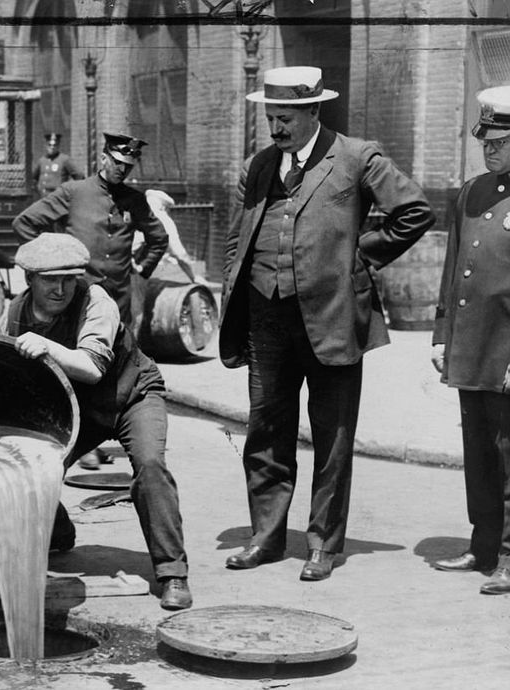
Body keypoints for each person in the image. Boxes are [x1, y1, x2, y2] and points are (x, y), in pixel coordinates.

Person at [220, 66, 435, 581]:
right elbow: (238, 236)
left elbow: (414, 211)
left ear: (314, 110)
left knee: (333, 436)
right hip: (266, 317)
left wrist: (360, 258)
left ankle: (323, 543)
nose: (277, 127)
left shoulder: (358, 156)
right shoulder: (260, 164)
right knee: (265, 430)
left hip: (333, 316)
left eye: (286, 117)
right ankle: (266, 538)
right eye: (271, 117)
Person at [0, 232, 192, 610]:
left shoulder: (96, 301)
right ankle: (58, 530)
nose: (61, 289)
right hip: (82, 407)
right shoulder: (17, 312)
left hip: (132, 394)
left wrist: (49, 346)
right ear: (29, 280)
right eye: (50, 280)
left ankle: (172, 573)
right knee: (35, 462)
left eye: (69, 279)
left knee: (150, 467)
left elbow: (90, 367)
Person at [431, 85, 510, 595]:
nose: (491, 149)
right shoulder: (472, 191)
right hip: (473, 346)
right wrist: (442, 335)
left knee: (509, 454)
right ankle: (483, 545)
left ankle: (509, 555)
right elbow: (452, 268)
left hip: (508, 351)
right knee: (479, 450)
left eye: (502, 141)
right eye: (486, 140)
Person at [13, 132, 169, 331]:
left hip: (117, 299)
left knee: (118, 353)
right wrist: (48, 264)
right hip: (76, 297)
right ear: (103, 159)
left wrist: (143, 269)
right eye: (117, 162)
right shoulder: (73, 192)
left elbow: (159, 238)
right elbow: (24, 223)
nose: (123, 170)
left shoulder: (135, 200)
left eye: (128, 165)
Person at [135, 189, 206, 285]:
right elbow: (179, 253)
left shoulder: (135, 216)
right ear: (163, 207)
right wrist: (193, 276)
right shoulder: (164, 221)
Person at [32, 132, 84, 198]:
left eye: (54, 145)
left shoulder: (64, 159)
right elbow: (33, 178)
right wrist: (37, 192)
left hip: (58, 198)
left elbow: (79, 175)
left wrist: (72, 191)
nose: (52, 147)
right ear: (46, 146)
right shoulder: (42, 161)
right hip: (43, 197)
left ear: (58, 146)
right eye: (50, 145)